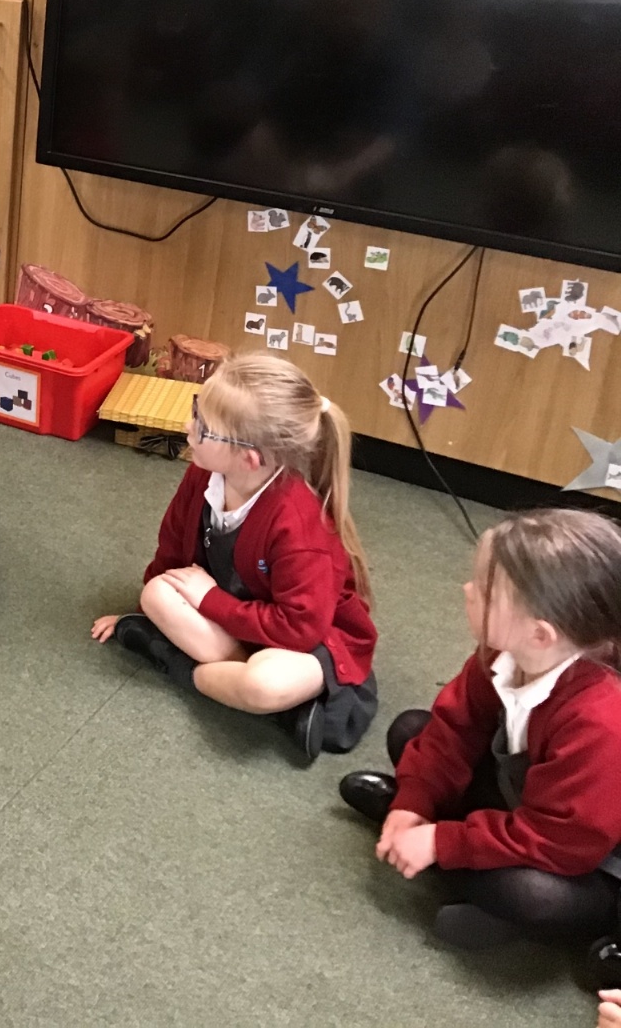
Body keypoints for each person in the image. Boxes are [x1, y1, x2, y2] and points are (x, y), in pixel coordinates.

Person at [338, 509, 621, 960]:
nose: (468, 590)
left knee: (529, 895)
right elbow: (454, 728)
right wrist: (414, 801)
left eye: (487, 593)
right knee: (411, 730)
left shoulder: (601, 718)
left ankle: (454, 867)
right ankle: (441, 853)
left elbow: (563, 841)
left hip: (586, 855)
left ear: (540, 635)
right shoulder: (501, 654)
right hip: (529, 798)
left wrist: (443, 842)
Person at [90, 353, 378, 762]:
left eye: (203, 425)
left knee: (264, 684)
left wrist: (210, 602)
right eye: (196, 410)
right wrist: (145, 610)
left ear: (250, 458)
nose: (188, 427)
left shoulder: (298, 523)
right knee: (155, 593)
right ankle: (260, 698)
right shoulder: (203, 473)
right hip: (239, 621)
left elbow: (299, 629)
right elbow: (172, 550)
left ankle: (183, 666)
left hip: (305, 642)